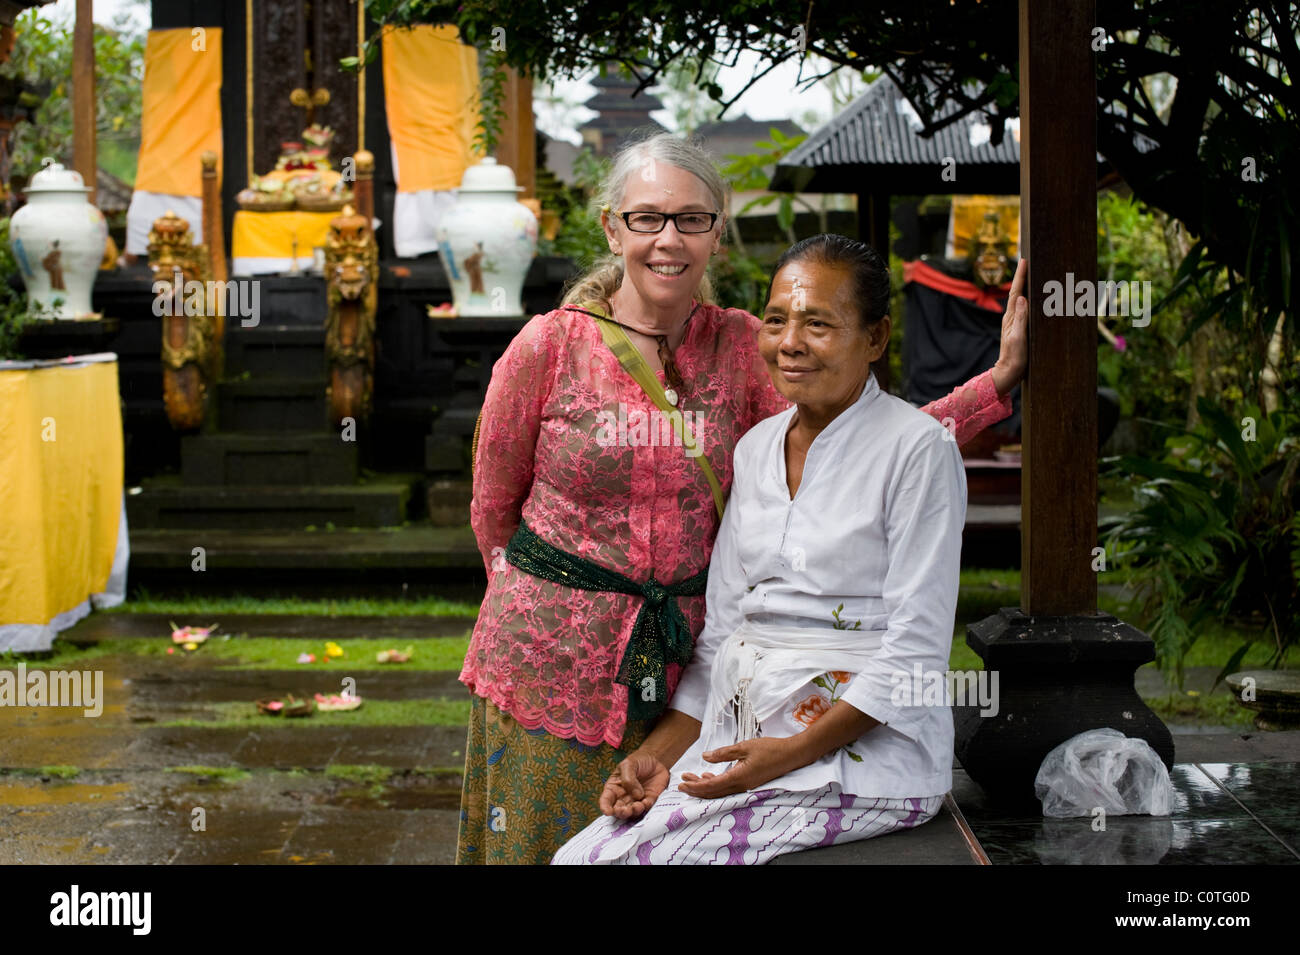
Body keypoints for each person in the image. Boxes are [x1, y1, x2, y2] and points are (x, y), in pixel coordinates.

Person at [459, 132, 1026, 865]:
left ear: (716, 230)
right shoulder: (549, 346)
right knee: (543, 848)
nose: (669, 239)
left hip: (690, 675)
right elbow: (491, 509)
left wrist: (998, 381)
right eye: (646, 219)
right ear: (611, 227)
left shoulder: (744, 344)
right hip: (551, 660)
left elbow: (867, 431)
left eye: (692, 219)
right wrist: (536, 612)